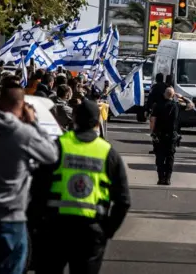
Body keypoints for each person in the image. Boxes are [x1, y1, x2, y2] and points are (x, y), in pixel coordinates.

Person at [0, 84, 58, 274]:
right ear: (22, 105)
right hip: (9, 220)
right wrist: (32, 124)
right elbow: (51, 155)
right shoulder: (23, 134)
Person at [31, 99, 130, 274]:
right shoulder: (109, 153)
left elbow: (37, 187)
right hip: (91, 231)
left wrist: (37, 224)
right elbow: (123, 201)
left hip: (55, 228)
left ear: (74, 118)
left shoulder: (58, 145)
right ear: (98, 122)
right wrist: (106, 231)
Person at [150, 87, 193, 185]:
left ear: (164, 94)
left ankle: (161, 178)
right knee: (170, 157)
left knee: (160, 157)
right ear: (173, 95)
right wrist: (182, 97)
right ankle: (168, 178)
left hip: (159, 135)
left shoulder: (157, 105)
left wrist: (152, 132)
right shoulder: (177, 105)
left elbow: (153, 120)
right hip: (172, 135)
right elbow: (191, 105)